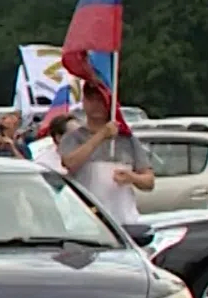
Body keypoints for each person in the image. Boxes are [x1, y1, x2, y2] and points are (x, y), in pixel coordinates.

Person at [58, 85, 155, 226]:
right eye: (91, 100)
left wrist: (132, 177)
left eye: (101, 100)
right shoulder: (74, 137)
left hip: (124, 220)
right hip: (86, 221)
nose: (96, 105)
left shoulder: (127, 139)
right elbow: (70, 163)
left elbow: (149, 181)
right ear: (84, 102)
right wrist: (102, 135)